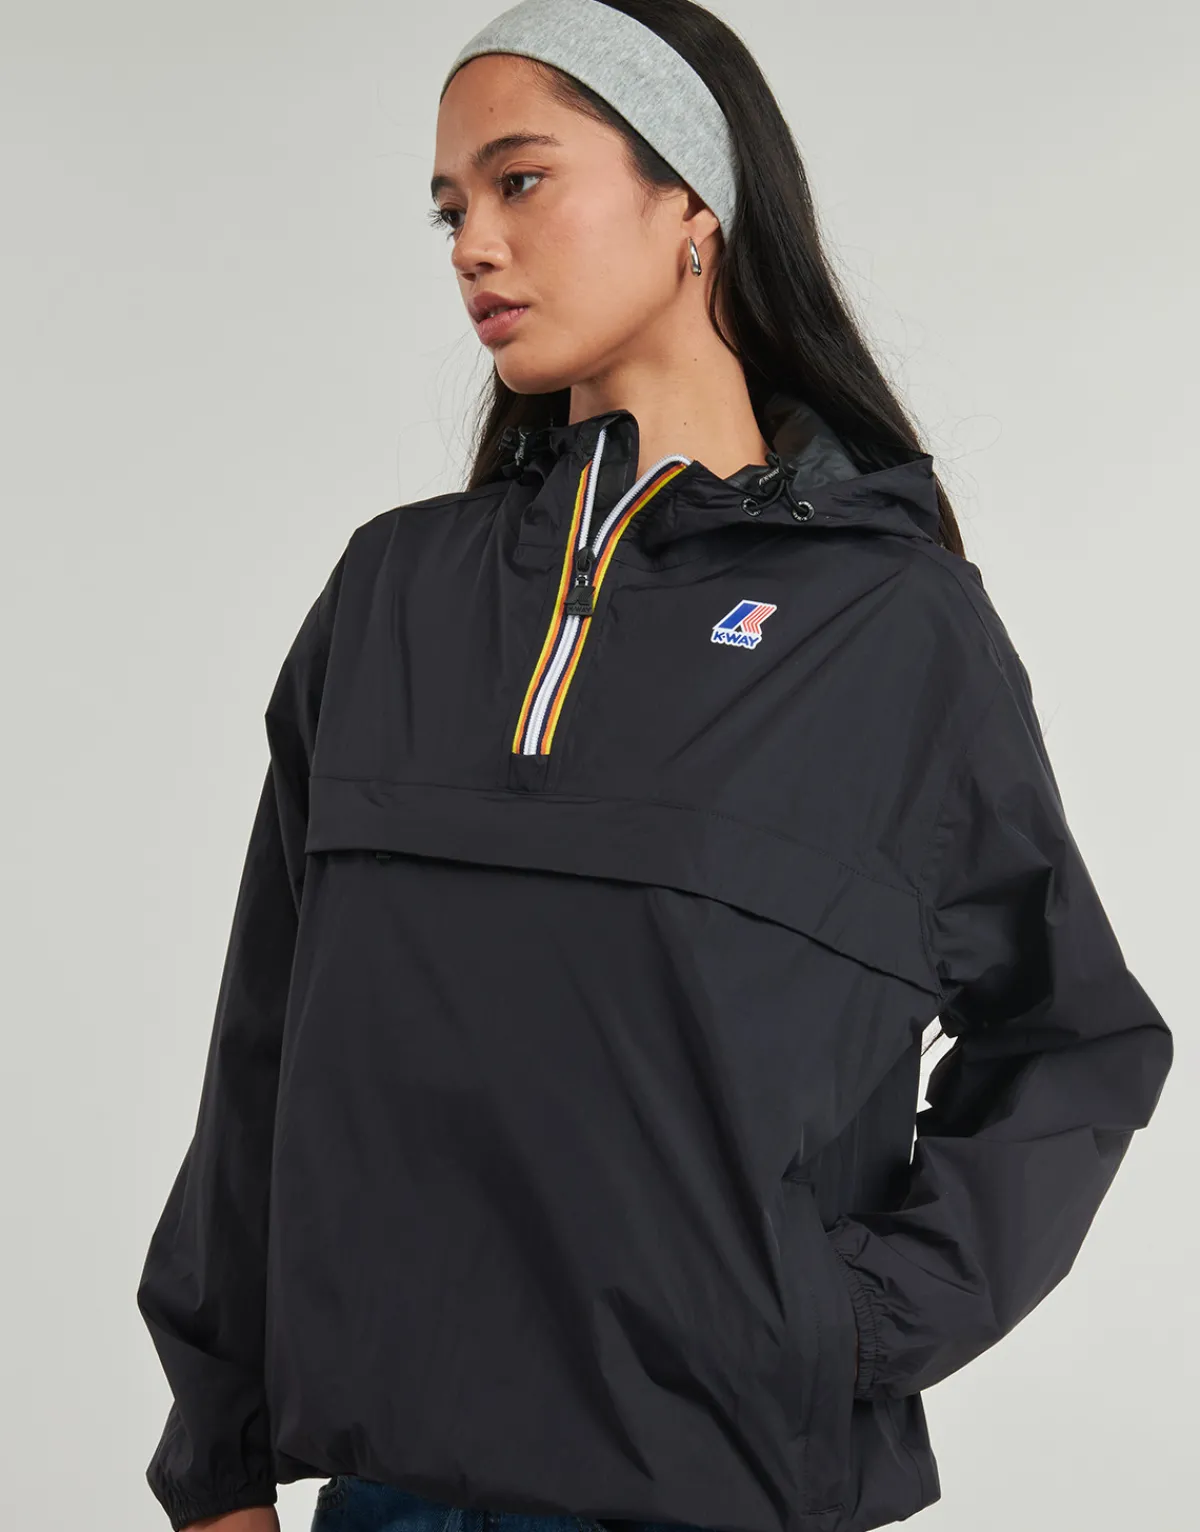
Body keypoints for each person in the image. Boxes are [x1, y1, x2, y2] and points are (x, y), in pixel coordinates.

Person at [135, 2, 1174, 1531]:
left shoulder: (890, 626)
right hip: (392, 1495)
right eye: (449, 208)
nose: (474, 245)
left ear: (693, 202)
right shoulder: (393, 595)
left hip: (717, 1494)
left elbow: (1072, 1038)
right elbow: (265, 1045)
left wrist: (845, 1324)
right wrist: (214, 1453)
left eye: (520, 181)